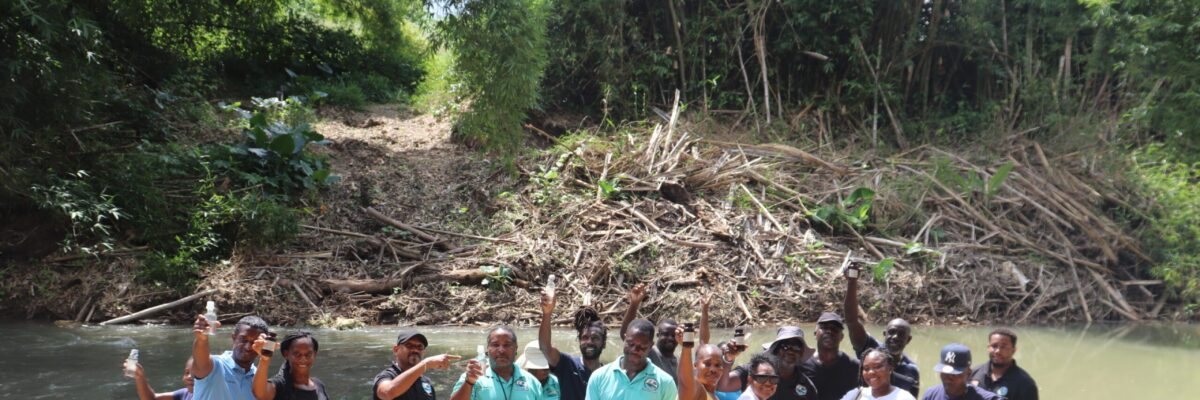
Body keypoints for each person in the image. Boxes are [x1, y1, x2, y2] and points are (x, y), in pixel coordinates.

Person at [843, 266, 919, 397]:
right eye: (892, 332)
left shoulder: (911, 370)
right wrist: (852, 281)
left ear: (908, 340)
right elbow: (851, 321)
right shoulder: (870, 349)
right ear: (885, 334)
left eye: (901, 334)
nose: (895, 337)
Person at [621, 284, 712, 383]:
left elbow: (703, 345)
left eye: (673, 335)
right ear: (657, 336)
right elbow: (626, 335)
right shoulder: (650, 353)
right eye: (665, 334)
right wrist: (634, 304)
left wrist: (705, 311)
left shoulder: (678, 360)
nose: (669, 338)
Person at [540, 283, 608, 399]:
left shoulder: (608, 375)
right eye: (585, 337)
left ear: (604, 343)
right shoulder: (567, 365)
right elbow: (545, 348)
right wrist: (547, 313)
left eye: (595, 338)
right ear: (579, 341)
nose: (589, 342)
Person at [585, 319, 678, 399]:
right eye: (630, 344)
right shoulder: (599, 377)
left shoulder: (665, 382)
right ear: (624, 339)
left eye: (642, 347)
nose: (635, 350)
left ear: (650, 346)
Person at [720, 327, 817, 400]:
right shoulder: (756, 370)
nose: (791, 351)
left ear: (801, 353)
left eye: (796, 347)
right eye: (785, 346)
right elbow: (723, 385)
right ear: (776, 350)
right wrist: (728, 358)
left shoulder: (808, 386)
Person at [451, 326, 543, 400]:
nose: (501, 350)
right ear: (488, 349)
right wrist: (469, 383)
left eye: (507, 345)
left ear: (516, 349)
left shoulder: (532, 382)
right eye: (495, 345)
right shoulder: (472, 377)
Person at [192, 314, 270, 400]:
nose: (248, 347)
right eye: (243, 340)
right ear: (234, 337)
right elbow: (201, 361)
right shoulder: (215, 366)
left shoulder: (258, 378)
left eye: (254, 342)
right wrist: (201, 339)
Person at [372, 329, 460, 400]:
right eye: (409, 345)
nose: (415, 350)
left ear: (423, 352)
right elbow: (388, 393)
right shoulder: (386, 376)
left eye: (419, 347)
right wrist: (426, 363)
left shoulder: (426, 382)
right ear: (396, 350)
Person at [250, 331, 329, 400]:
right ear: (286, 354)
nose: (303, 359)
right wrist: (264, 360)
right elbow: (260, 394)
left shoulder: (319, 385)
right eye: (297, 354)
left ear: (314, 355)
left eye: (308, 354)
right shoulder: (280, 385)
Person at [799, 313, 860, 400]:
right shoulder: (801, 365)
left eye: (835, 329)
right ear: (815, 334)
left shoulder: (855, 367)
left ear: (842, 337)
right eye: (824, 327)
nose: (829, 331)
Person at [969, 329, 1038, 400]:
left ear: (1013, 350)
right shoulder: (973, 373)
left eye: (1003, 347)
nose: (998, 351)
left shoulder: (1025, 383)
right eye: (994, 346)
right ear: (988, 348)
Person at [920, 344, 998, 400]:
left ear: (968, 373)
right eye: (945, 373)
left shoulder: (986, 398)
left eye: (955, 374)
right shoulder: (931, 394)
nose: (948, 378)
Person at [839, 349, 916, 400]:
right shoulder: (856, 394)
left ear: (890, 368)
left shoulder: (904, 397)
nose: (871, 372)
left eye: (877, 366)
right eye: (866, 368)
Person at [129, 357, 195, 400]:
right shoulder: (185, 393)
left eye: (195, 374)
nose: (189, 377)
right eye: (187, 372)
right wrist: (140, 377)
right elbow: (151, 398)